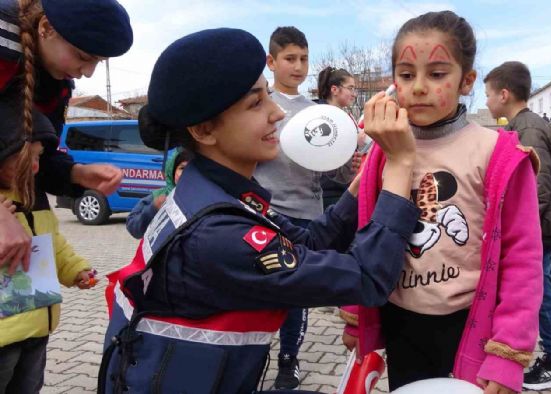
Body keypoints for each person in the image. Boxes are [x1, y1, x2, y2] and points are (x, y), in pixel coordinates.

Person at [98, 28, 419, 394]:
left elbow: (309, 240)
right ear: (204, 130)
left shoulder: (211, 193)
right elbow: (365, 278)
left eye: (268, 95)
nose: (277, 113)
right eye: (256, 103)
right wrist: (400, 166)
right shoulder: (218, 232)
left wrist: (362, 182)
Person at [339, 11, 543, 393]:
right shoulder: (386, 150)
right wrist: (356, 314)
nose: (418, 87)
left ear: (466, 81)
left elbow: (523, 258)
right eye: (405, 74)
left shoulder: (498, 153)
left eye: (436, 74)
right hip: (401, 321)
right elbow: (363, 230)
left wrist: (508, 351)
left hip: (469, 325)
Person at [253, 27, 358, 389]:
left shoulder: (317, 113)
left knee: (297, 294)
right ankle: (250, 355)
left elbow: (332, 166)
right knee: (261, 289)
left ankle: (288, 361)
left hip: (307, 215)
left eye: (304, 59)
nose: (298, 67)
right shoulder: (260, 106)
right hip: (265, 212)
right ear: (272, 61)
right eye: (290, 59)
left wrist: (350, 165)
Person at [0, 0, 132, 274]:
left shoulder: (57, 86)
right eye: (83, 57)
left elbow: (43, 159)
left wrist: (76, 173)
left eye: (98, 61)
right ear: (46, 28)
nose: (87, 72)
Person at [484, 61, 551, 391]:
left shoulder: (528, 128)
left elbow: (535, 186)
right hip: (542, 227)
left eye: (489, 95)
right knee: (541, 290)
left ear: (504, 94)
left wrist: (520, 231)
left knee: (539, 295)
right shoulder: (524, 124)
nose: (487, 103)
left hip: (538, 228)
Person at [0, 99, 97, 394]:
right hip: (4, 337)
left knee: (29, 386)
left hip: (38, 326)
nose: (35, 166)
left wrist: (76, 269)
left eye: (39, 157)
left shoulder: (34, 197)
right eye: (25, 158)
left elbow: (54, 243)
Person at [316, 66, 362, 209]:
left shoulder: (345, 117)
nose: (354, 94)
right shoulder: (317, 115)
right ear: (334, 89)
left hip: (344, 188)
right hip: (325, 192)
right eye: (350, 88)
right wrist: (355, 141)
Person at [126, 148, 193, 239]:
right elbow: (134, 229)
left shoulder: (205, 198)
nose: (186, 173)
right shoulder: (158, 197)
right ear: (172, 172)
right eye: (182, 168)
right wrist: (153, 208)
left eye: (191, 169)